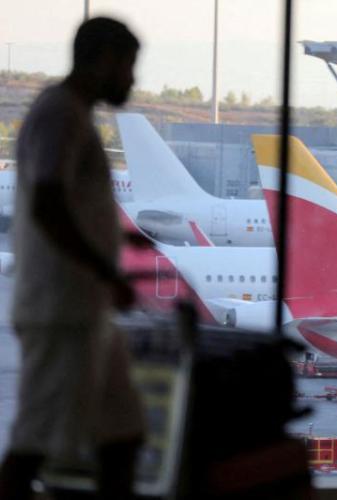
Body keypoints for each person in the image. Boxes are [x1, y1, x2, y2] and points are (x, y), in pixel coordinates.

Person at [0, 17, 145, 500]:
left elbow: (70, 206)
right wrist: (107, 271)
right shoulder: (60, 115)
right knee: (34, 446)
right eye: (128, 66)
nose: (132, 79)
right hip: (59, 311)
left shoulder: (72, 115)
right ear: (104, 61)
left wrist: (120, 241)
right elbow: (48, 204)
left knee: (122, 436)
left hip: (83, 311)